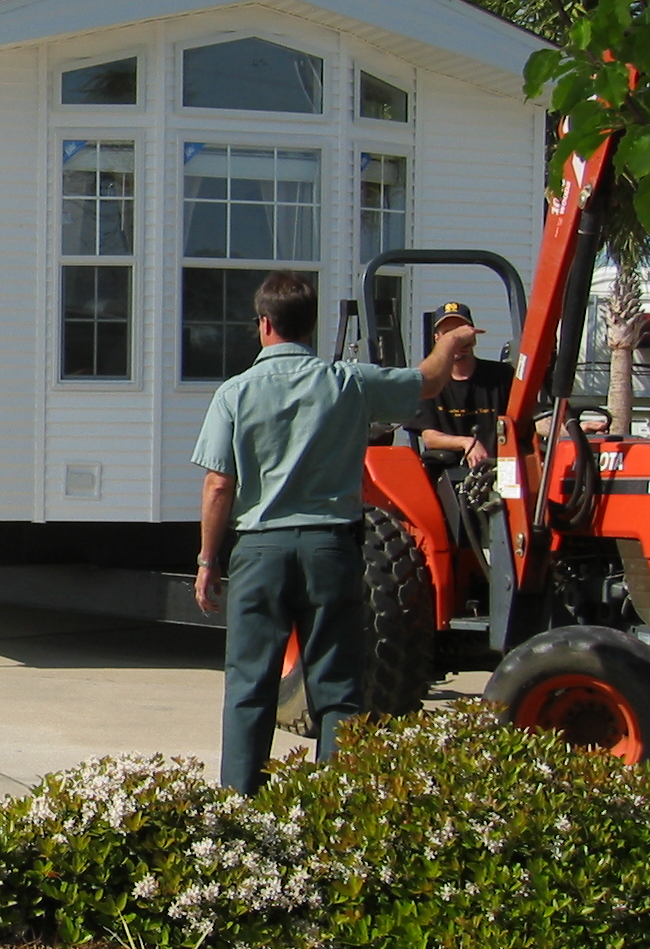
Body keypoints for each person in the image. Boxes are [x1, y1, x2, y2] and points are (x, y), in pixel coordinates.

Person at [192, 271, 472, 793]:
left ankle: (240, 802)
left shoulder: (235, 392)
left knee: (251, 685)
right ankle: (333, 804)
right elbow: (429, 382)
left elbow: (218, 484)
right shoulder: (349, 382)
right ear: (310, 326)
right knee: (338, 685)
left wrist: (208, 561)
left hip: (261, 551)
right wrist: (450, 341)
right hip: (331, 548)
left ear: (264, 324)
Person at [410, 302, 513, 469]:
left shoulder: (502, 376)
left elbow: (529, 418)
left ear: (473, 335)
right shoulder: (429, 382)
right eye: (449, 334)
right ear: (437, 338)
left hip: (500, 469)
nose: (457, 340)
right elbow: (430, 437)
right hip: (448, 472)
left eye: (461, 332)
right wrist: (467, 442)